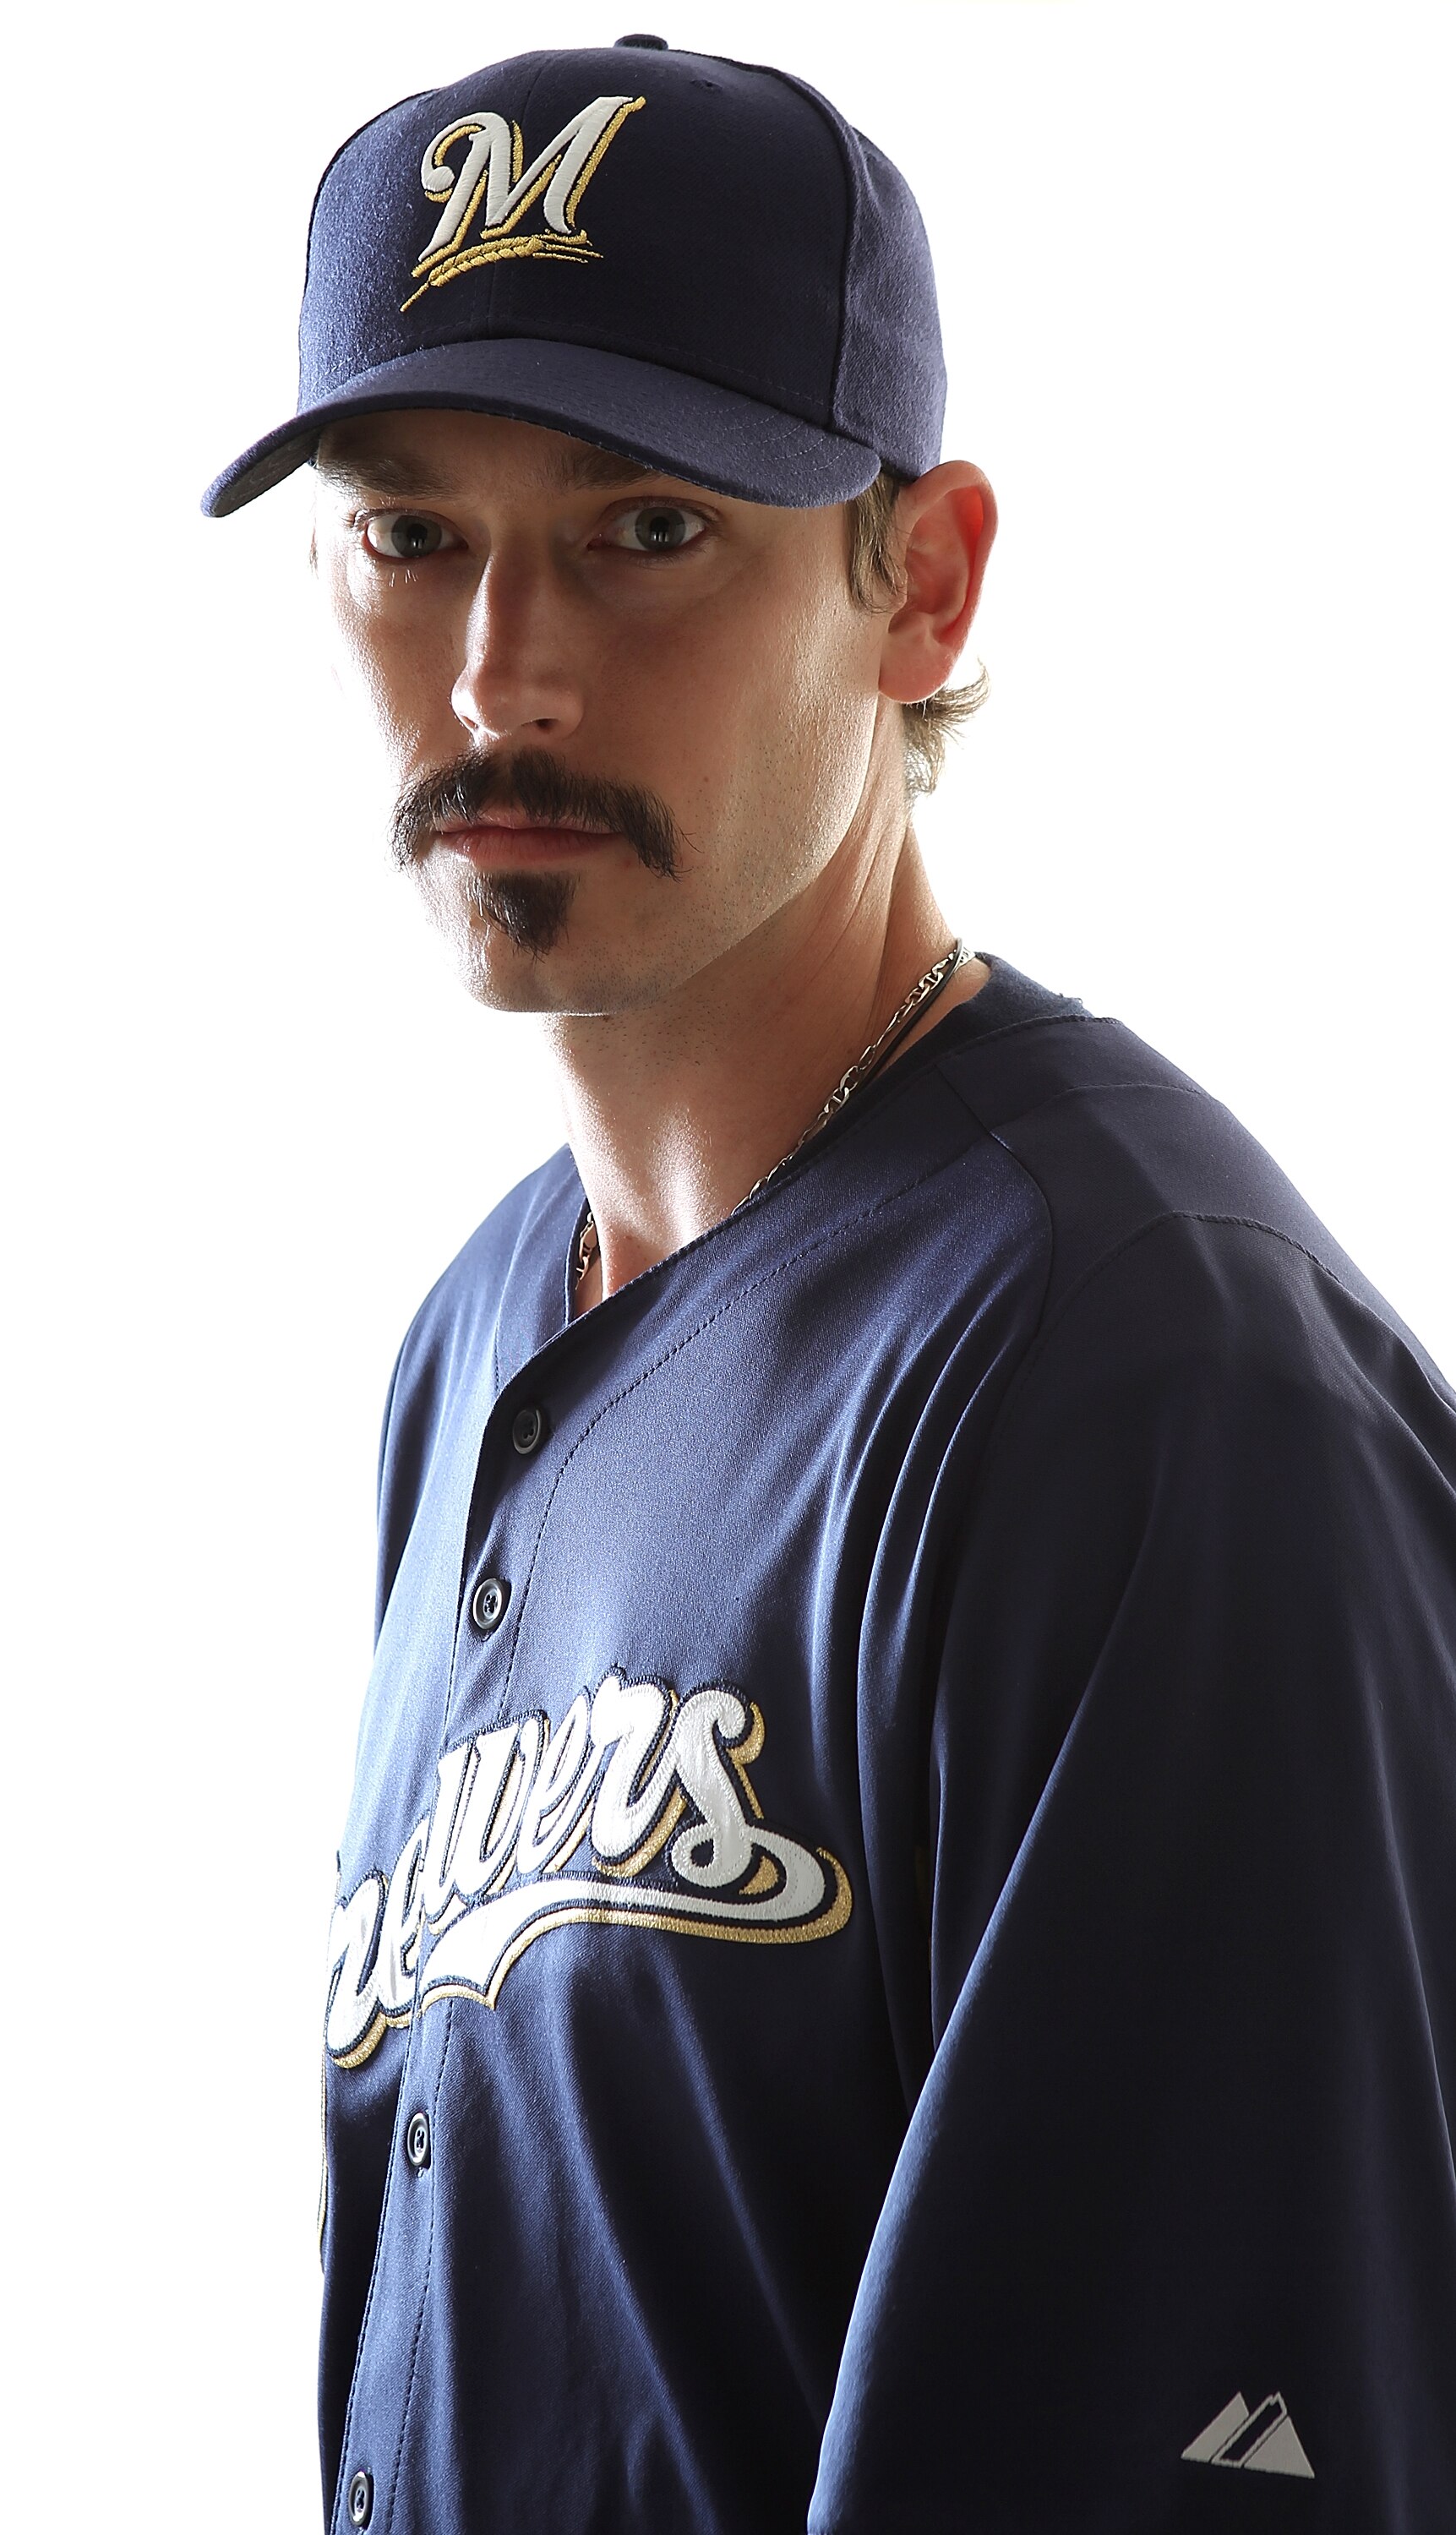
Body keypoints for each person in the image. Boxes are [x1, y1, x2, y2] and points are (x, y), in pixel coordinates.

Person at [204, 35, 1456, 2535]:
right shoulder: (477, 1342)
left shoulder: (1140, 1372)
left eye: (648, 528)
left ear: (924, 577)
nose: (498, 680)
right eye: (409, 536)